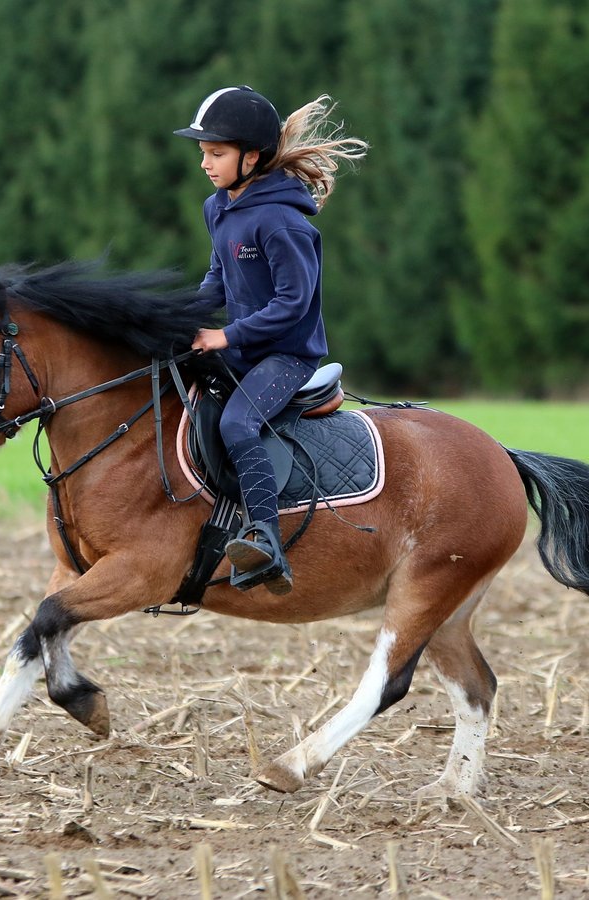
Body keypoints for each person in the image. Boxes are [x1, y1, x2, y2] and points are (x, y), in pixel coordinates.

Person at [174, 85, 368, 595]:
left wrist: (225, 334)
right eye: (203, 154)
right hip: (239, 349)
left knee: (239, 423)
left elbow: (292, 306)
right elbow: (217, 278)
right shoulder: (219, 207)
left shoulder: (283, 223)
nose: (206, 164)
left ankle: (265, 538)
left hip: (287, 356)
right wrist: (181, 318)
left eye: (216, 154)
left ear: (252, 157)